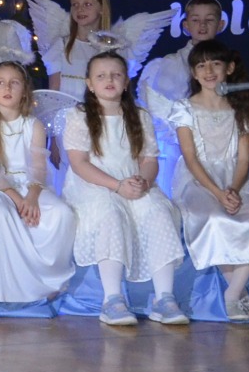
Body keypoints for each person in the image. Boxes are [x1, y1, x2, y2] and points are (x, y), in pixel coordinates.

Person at [63, 51, 188, 327]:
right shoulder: (79, 116)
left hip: (132, 182)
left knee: (158, 211)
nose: (109, 80)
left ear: (126, 82)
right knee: (110, 213)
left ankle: (164, 298)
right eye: (101, 76)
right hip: (95, 184)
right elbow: (79, 163)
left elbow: (149, 159)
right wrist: (116, 186)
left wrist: (143, 181)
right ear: (89, 83)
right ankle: (112, 299)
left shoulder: (139, 116)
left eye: (116, 74)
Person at [169, 40, 249, 322]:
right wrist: (218, 193)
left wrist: (232, 190)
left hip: (235, 180)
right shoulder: (184, 108)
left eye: (216, 64)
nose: (209, 71)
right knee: (213, 219)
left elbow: (244, 159)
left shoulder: (242, 108)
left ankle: (232, 294)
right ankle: (240, 294)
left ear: (229, 68)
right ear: (194, 73)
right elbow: (190, 157)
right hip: (199, 180)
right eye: (201, 65)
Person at [0, 61, 77, 303]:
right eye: (0, 82)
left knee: (61, 214)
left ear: (24, 90)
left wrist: (32, 196)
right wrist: (19, 201)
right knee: (0, 214)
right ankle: (6, 289)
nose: (7, 87)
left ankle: (48, 280)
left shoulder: (33, 124)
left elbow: (38, 166)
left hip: (30, 185)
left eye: (14, 82)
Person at [20, 0, 170, 100]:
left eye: (87, 4)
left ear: (102, 9)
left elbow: (120, 89)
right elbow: (54, 90)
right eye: (75, 4)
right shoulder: (62, 45)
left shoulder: (114, 47)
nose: (80, 9)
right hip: (67, 118)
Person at [138, 0, 226, 117]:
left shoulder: (228, 62)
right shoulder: (169, 64)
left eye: (209, 19)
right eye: (195, 20)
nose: (202, 25)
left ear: (220, 25)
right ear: (186, 25)